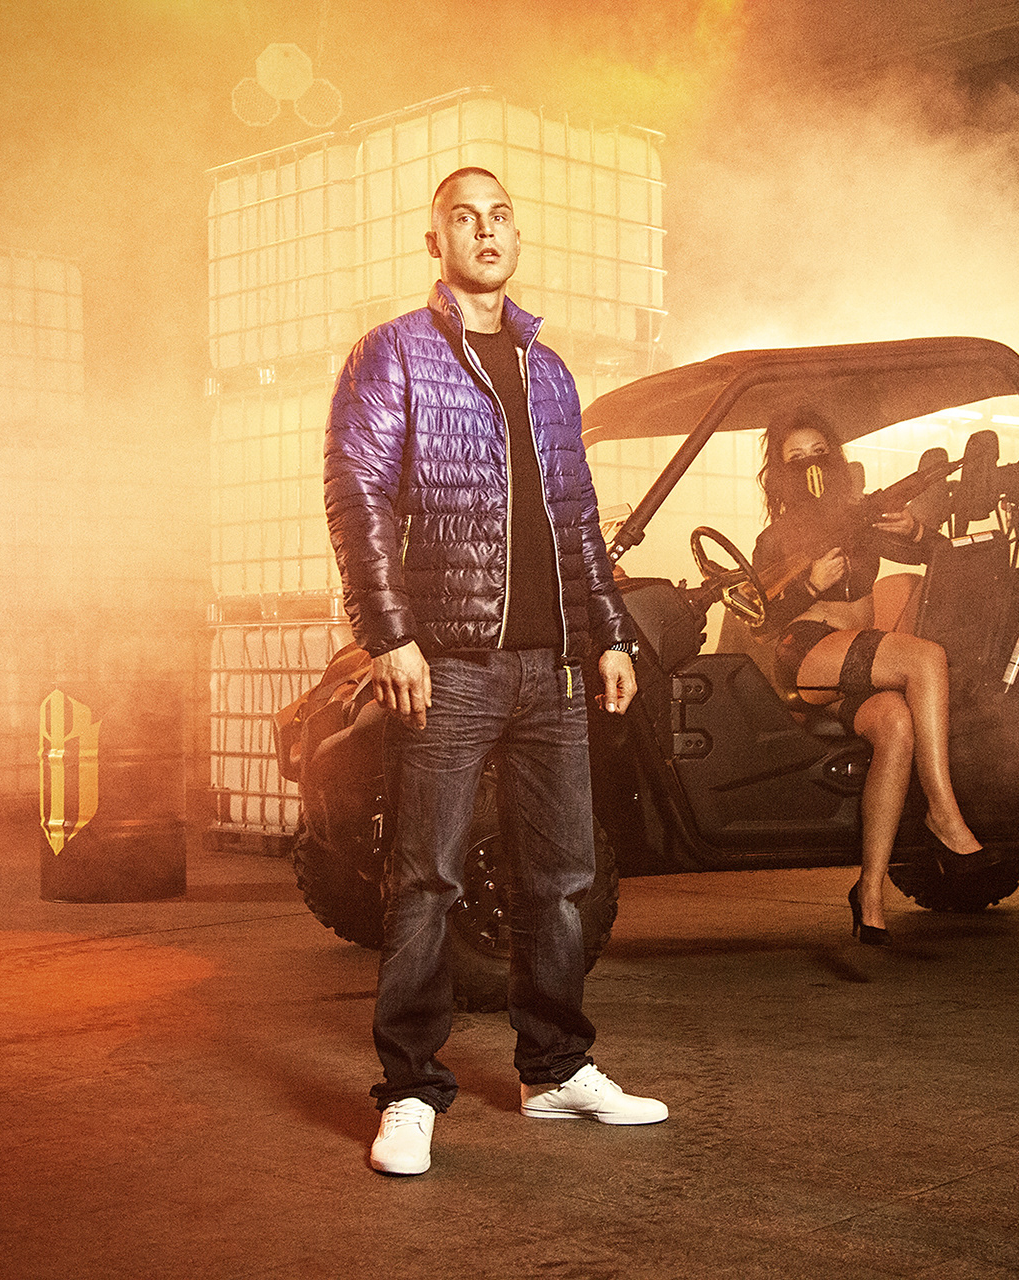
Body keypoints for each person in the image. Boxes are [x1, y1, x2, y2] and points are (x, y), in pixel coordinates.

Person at [323, 167, 668, 1178]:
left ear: (517, 238)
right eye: (464, 218)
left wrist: (608, 633)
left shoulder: (548, 371)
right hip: (452, 663)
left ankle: (555, 1070)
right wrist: (389, 634)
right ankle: (410, 1091)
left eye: (500, 216)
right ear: (435, 240)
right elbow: (357, 495)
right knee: (426, 879)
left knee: (560, 881)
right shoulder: (393, 354)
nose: (485, 230)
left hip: (552, 668)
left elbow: (576, 516)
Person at [751, 408, 989, 947]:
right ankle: (944, 813)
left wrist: (917, 529)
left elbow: (943, 560)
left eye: (819, 452)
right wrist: (811, 585)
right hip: (808, 654)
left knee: (896, 725)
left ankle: (871, 893)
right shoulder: (777, 537)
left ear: (835, 459)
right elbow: (760, 621)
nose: (811, 464)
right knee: (926, 658)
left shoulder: (858, 521)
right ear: (781, 472)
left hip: (856, 660)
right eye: (796, 457)